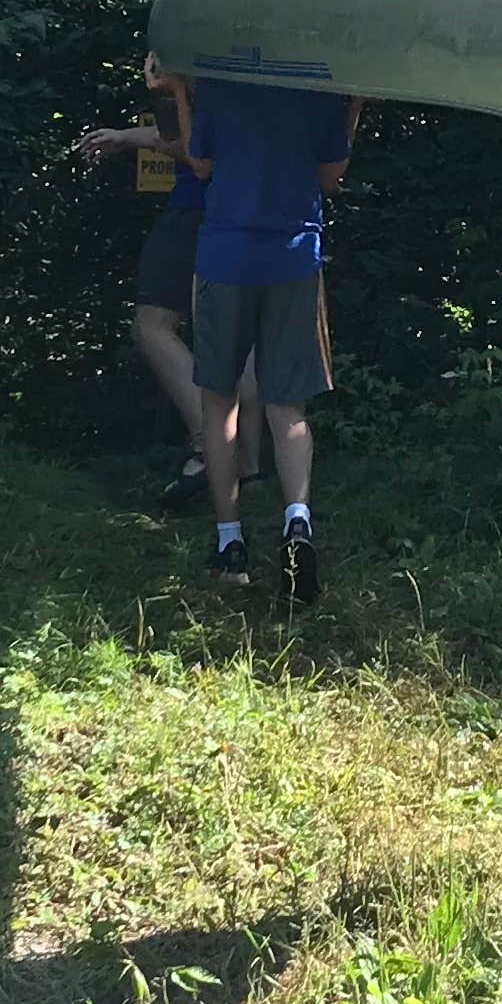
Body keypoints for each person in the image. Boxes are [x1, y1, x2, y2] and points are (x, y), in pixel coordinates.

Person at [71, 0, 256, 510]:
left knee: (153, 324)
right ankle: (248, 464)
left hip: (197, 205)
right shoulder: (248, 39)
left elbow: (192, 148)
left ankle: (209, 443)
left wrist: (150, 110)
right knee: (241, 337)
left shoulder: (186, 40)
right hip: (252, 204)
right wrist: (126, 137)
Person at [185, 61, 356, 604]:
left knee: (219, 401)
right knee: (288, 406)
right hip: (294, 257)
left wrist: (177, 92)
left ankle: (230, 544)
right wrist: (355, 103)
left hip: (225, 255)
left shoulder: (217, 79)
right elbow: (330, 176)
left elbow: (199, 163)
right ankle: (297, 522)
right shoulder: (319, 84)